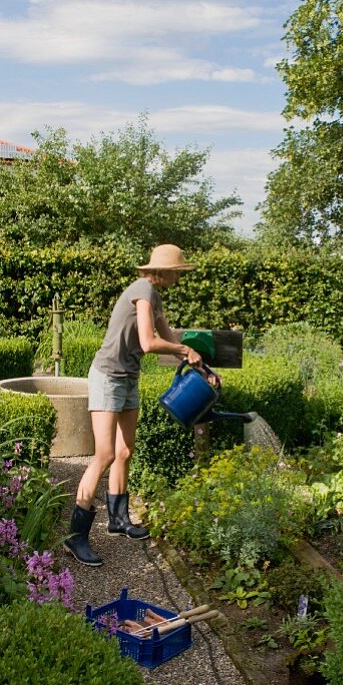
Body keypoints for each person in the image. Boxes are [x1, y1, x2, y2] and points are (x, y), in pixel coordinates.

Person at [65, 243, 204, 566]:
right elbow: (148, 342)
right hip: (108, 376)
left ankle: (118, 519)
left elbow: (170, 343)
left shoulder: (155, 298)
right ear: (165, 272)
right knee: (104, 454)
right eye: (178, 273)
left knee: (126, 450)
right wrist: (184, 352)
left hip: (128, 377)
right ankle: (75, 536)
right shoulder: (143, 289)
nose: (179, 278)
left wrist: (197, 362)